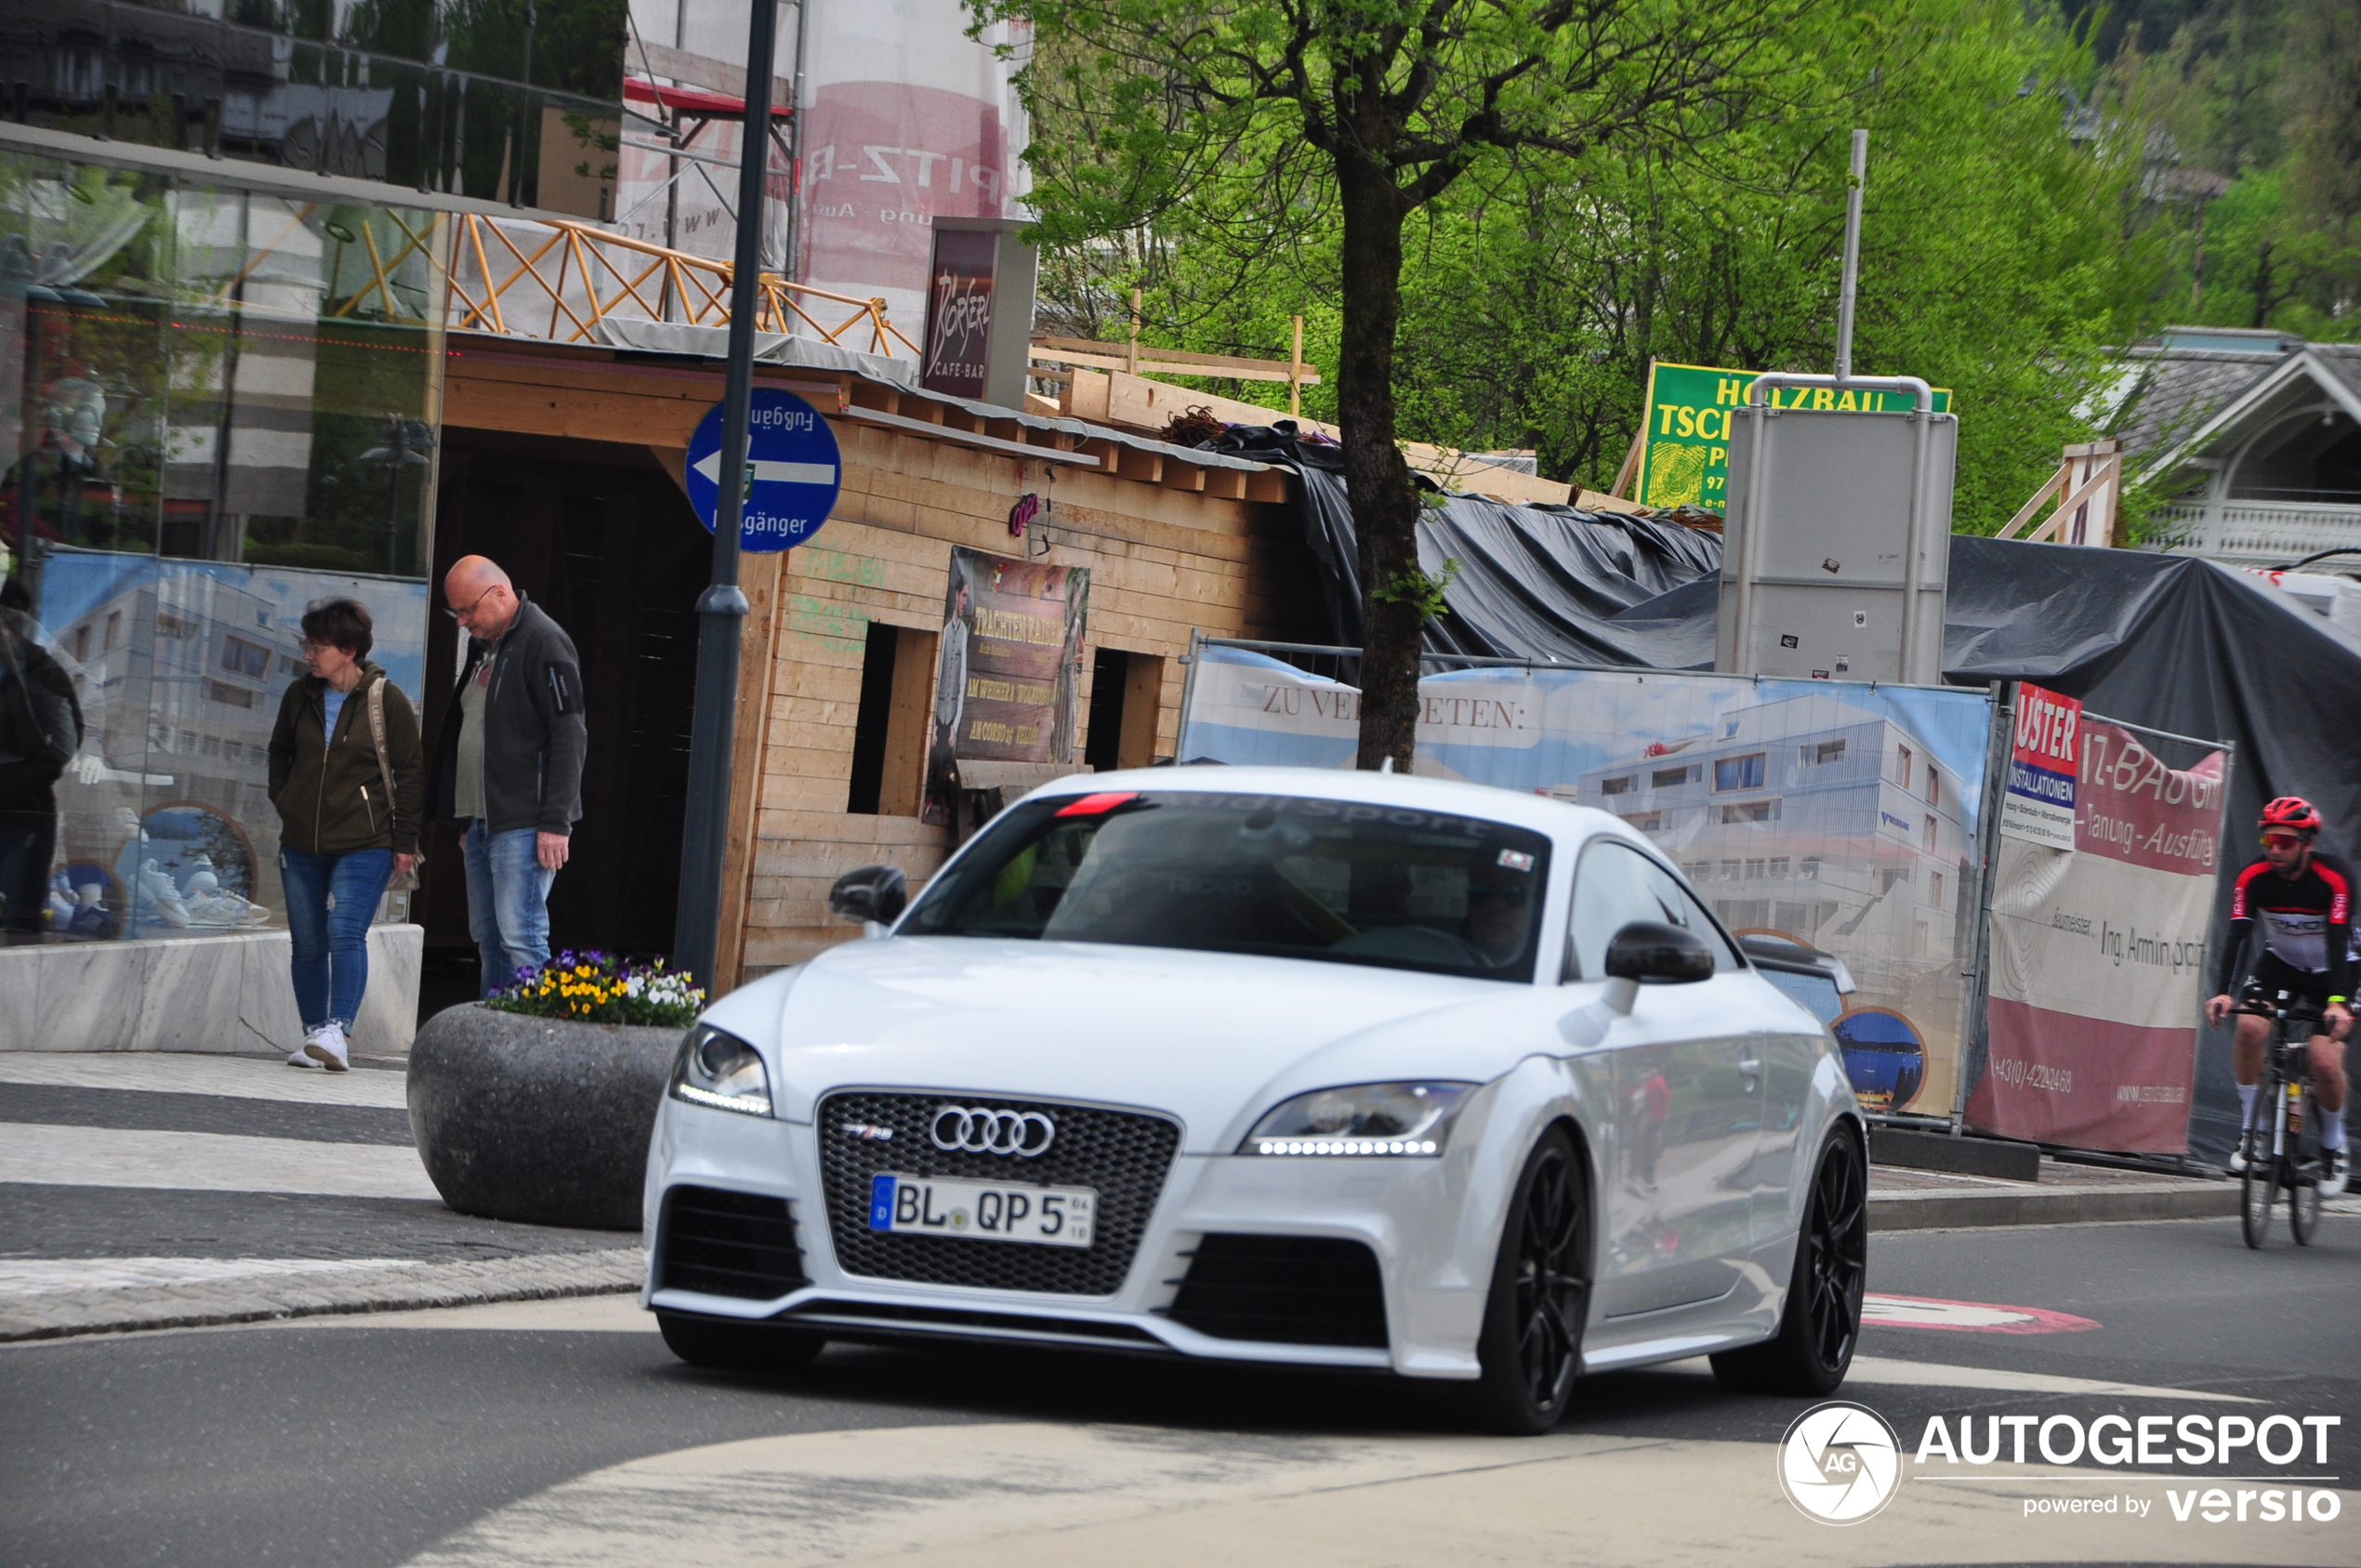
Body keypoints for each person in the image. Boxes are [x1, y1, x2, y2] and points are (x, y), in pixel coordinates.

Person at [268, 598, 422, 1070]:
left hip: (366, 841)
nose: (309, 654)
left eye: (318, 646)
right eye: (308, 645)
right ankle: (314, 1034)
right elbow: (279, 753)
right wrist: (287, 801)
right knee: (308, 941)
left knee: (345, 930)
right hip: (301, 842)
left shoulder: (385, 699)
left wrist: (403, 842)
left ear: (349, 650)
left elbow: (411, 772)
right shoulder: (300, 695)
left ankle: (338, 1029)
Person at [427, 556, 585, 996]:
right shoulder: (486, 646)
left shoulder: (544, 641)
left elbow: (569, 732)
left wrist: (556, 822)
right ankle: (491, 1042)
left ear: (499, 593)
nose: (462, 622)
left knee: (522, 937)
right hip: (481, 823)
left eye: (467, 610)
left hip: (524, 823)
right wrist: (465, 820)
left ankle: (533, 1049)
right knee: (489, 939)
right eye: (456, 612)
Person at [2205, 797, 2352, 1191]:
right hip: (2281, 964)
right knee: (2251, 1028)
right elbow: (2238, 934)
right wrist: (2224, 993)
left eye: (2285, 842)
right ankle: (2253, 1130)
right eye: (2268, 840)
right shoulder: (2253, 876)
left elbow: (2338, 943)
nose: (2274, 849)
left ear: (2308, 844)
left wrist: (2338, 1002)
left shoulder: (2334, 879)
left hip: (2334, 970)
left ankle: (2333, 1145)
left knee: (2323, 1061)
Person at [0, 573, 83, 942]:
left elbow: (65, 743)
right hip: (21, 805)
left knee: (17, 923)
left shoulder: (40, 670)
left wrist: (22, 778)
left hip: (23, 812)